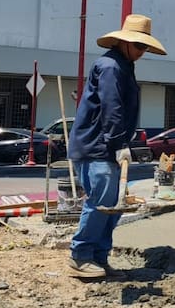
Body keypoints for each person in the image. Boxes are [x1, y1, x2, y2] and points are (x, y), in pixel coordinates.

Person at [67, 14, 167, 278]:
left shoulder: (123, 65)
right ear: (124, 43)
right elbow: (112, 107)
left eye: (145, 47)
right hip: (96, 146)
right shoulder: (111, 66)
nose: (142, 52)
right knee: (101, 203)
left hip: (105, 145)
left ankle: (99, 259)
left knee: (113, 206)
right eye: (139, 46)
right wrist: (118, 143)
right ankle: (81, 256)